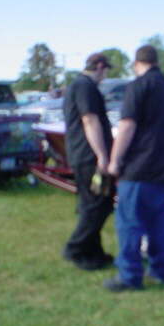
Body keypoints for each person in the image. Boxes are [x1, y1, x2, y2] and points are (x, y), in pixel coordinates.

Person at [104, 45, 164, 292]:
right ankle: (160, 271)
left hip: (139, 167)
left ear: (136, 64)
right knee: (160, 223)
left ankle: (129, 276)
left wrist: (114, 161)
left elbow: (127, 126)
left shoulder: (137, 87)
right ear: (156, 62)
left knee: (129, 223)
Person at [62, 52, 115, 270]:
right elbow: (89, 120)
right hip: (89, 157)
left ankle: (93, 255)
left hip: (81, 154)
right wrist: (102, 155)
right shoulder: (86, 87)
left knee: (89, 205)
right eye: (107, 70)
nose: (106, 75)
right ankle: (75, 248)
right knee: (98, 205)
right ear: (100, 66)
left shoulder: (77, 85)